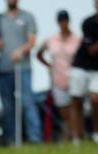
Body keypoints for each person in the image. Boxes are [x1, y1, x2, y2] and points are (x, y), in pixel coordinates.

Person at [0, 0, 42, 145]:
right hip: (3, 69)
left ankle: (34, 138)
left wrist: (20, 50)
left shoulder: (27, 17)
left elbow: (31, 41)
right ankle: (11, 139)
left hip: (22, 68)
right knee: (7, 106)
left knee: (26, 102)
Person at [37, 11, 80, 141]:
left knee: (74, 107)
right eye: (60, 21)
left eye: (65, 20)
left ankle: (75, 135)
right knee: (63, 110)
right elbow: (39, 54)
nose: (63, 23)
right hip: (57, 78)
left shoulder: (77, 39)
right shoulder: (51, 39)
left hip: (73, 77)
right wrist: (49, 65)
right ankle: (68, 133)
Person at [70, 0, 98, 143]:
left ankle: (95, 133)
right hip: (81, 66)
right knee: (76, 100)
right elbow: (92, 50)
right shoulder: (88, 23)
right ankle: (76, 136)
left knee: (95, 99)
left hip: (96, 70)